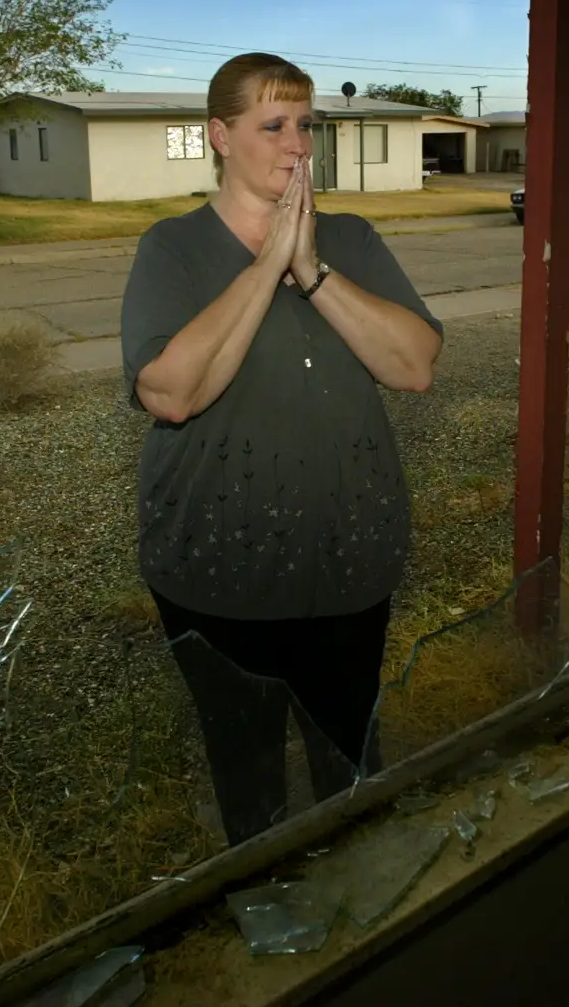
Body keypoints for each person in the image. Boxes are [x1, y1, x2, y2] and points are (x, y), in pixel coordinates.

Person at [119, 52, 444, 843]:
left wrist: (312, 266)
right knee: (247, 764)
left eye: (306, 125)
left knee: (350, 754)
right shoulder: (174, 250)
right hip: (216, 570)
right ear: (219, 136)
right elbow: (172, 392)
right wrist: (268, 263)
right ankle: (266, 909)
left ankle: (359, 889)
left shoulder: (353, 240)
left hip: (349, 559)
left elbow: (413, 366)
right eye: (273, 125)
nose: (298, 144)